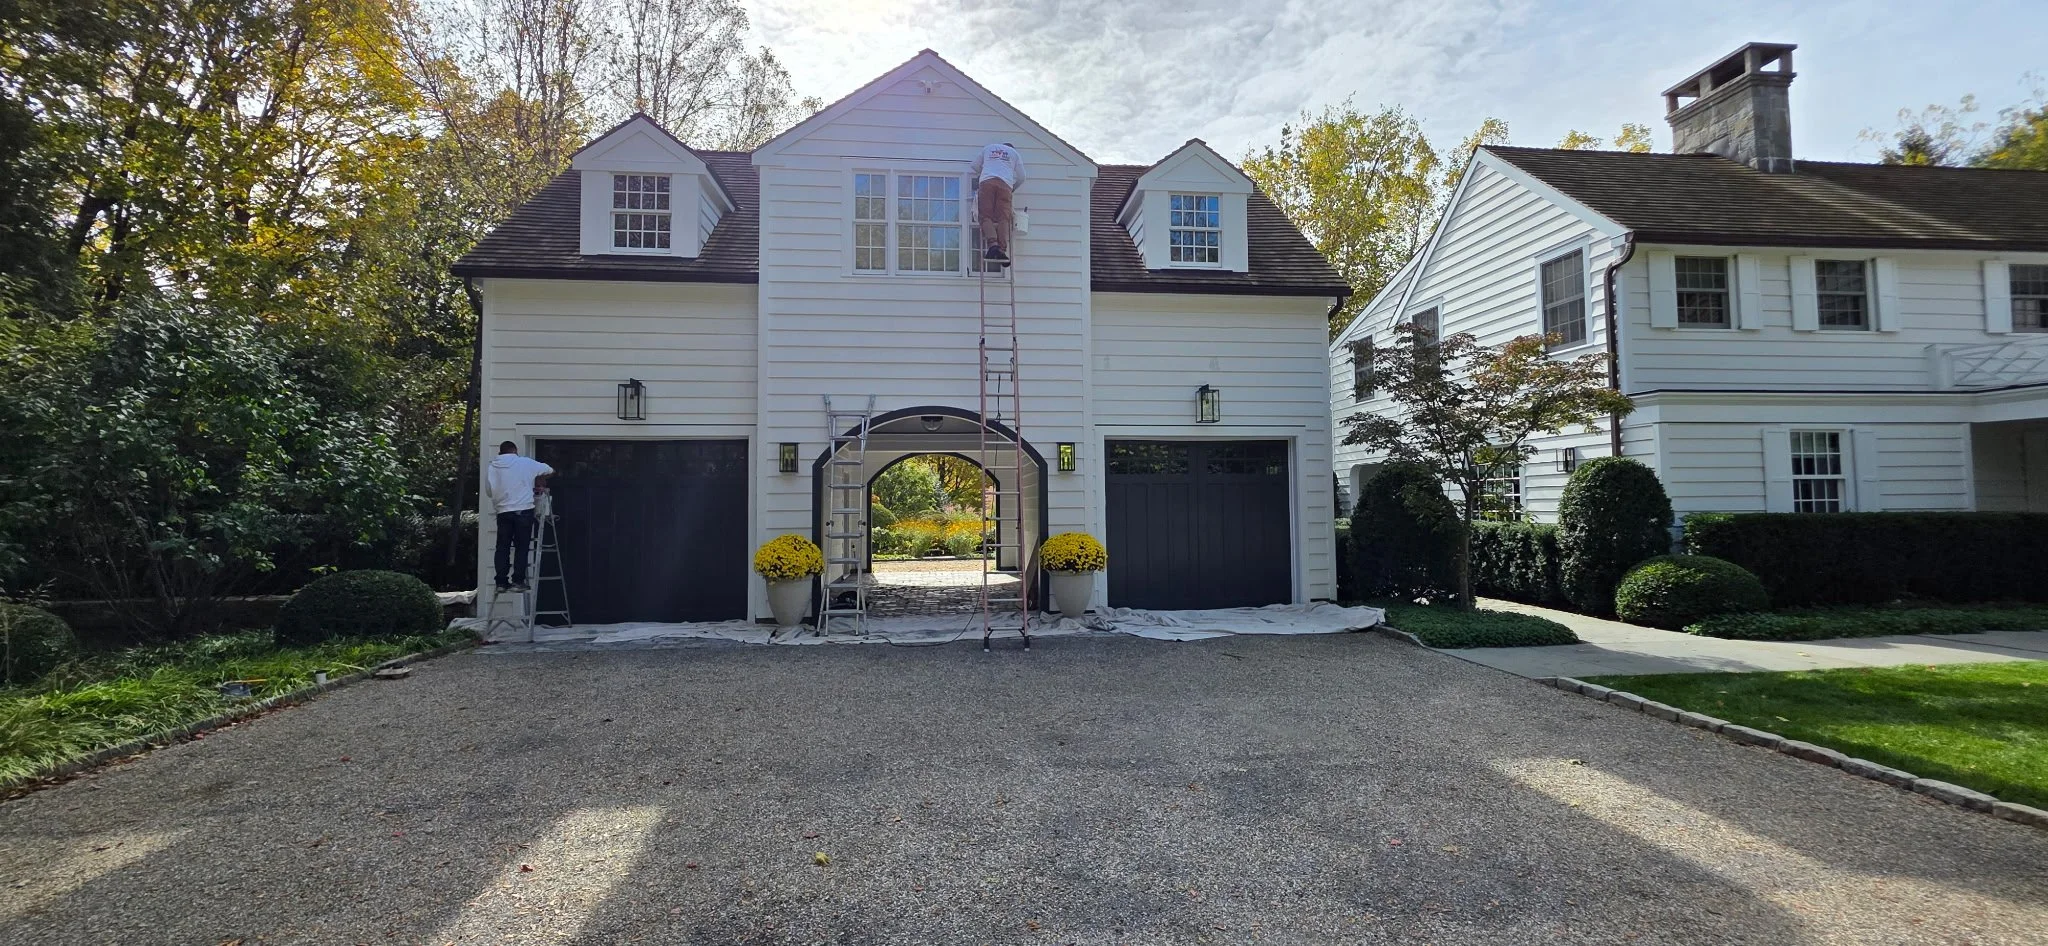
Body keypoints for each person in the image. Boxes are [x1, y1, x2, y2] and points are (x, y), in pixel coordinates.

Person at [487, 441, 553, 593]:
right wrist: (537, 479)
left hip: (503, 512)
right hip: (523, 512)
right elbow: (550, 469)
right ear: (515, 451)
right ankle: (518, 582)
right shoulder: (525, 463)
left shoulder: (493, 467)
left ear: (500, 453)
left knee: (502, 548)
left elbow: (489, 491)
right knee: (521, 548)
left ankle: (501, 583)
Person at [970, 141, 1024, 264]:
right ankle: (1001, 249)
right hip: (1005, 185)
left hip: (987, 182)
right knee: (1003, 218)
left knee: (985, 216)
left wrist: (985, 172)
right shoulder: (1014, 153)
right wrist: (1013, 188)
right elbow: (1022, 176)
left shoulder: (989, 148)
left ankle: (992, 244)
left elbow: (974, 166)